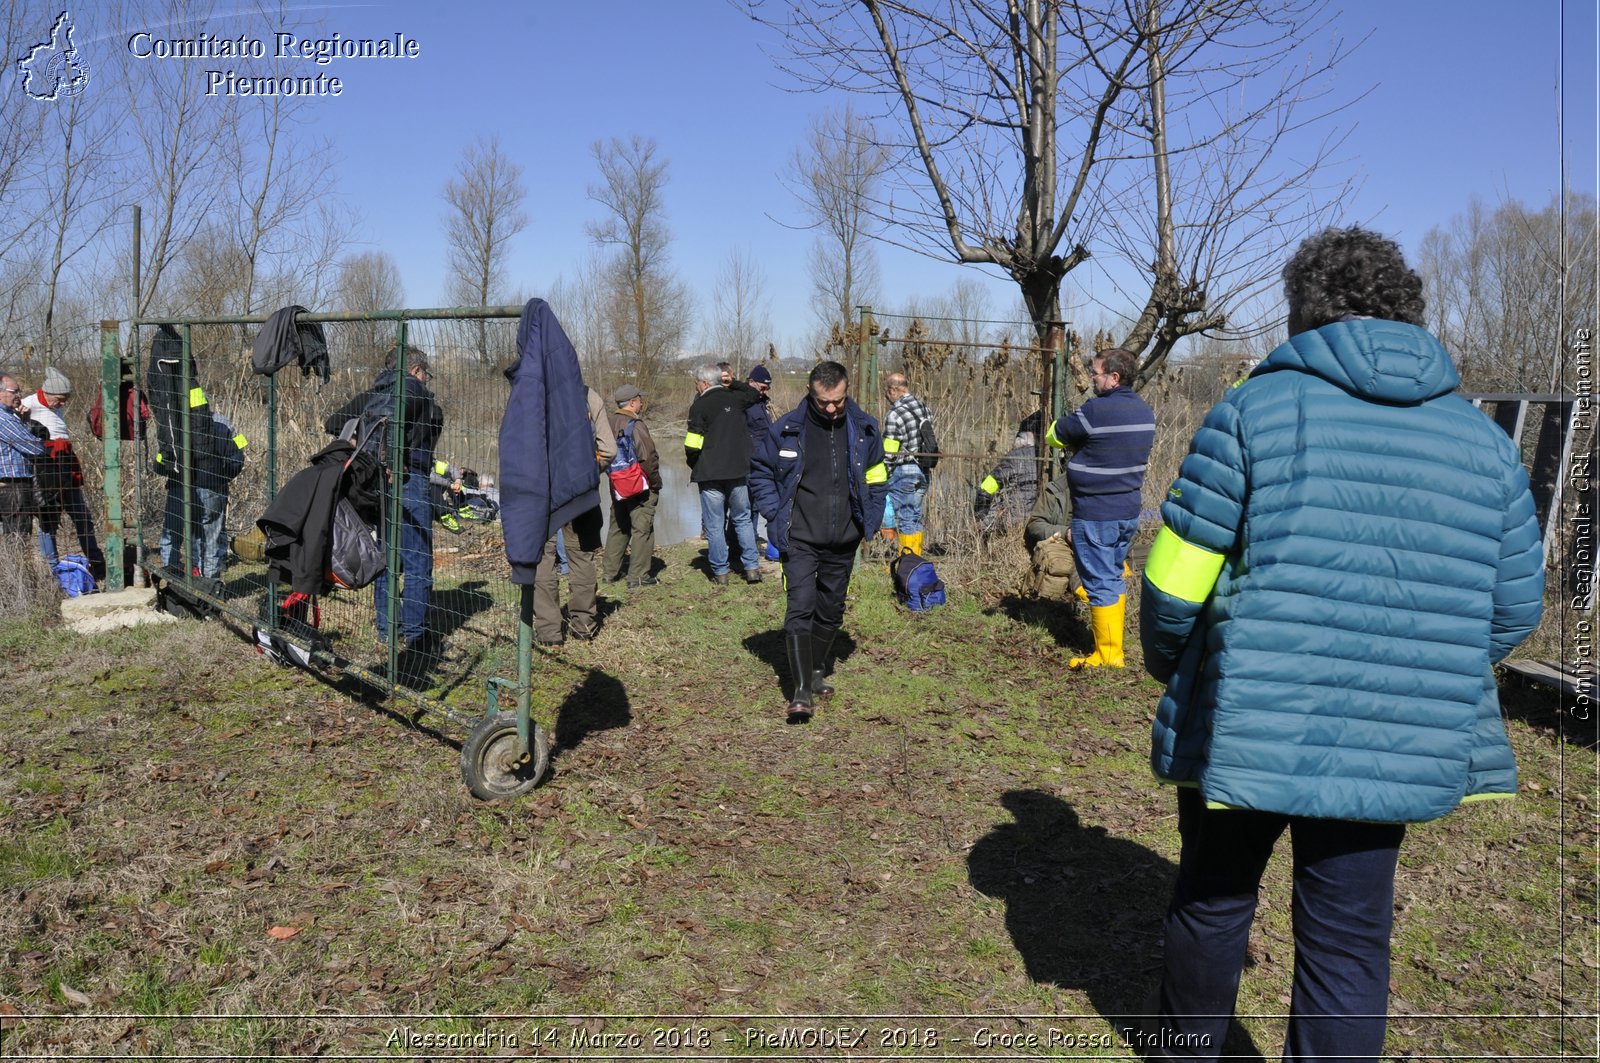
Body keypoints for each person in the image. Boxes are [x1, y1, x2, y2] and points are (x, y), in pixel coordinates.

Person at [1137, 227, 1545, 1062]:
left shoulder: (1253, 408)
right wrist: (1423, 666)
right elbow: (1513, 607)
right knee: (1350, 941)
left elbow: (1174, 582)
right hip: (1394, 731)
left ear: (1303, 314)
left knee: (1214, 901)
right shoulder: (1485, 445)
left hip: (1247, 716)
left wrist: (1172, 659)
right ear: (1408, 311)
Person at [750, 360, 888, 723]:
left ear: (846, 392)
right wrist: (772, 512)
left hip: (844, 537)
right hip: (799, 537)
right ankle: (799, 691)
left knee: (831, 609)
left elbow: (877, 479)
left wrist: (869, 521)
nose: (831, 409)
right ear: (811, 393)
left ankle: (814, 671)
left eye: (838, 402)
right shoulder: (787, 429)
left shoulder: (865, 430)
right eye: (823, 401)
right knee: (801, 606)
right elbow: (760, 470)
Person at [325, 347, 443, 651]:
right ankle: (416, 635)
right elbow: (432, 428)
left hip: (376, 482)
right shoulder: (418, 393)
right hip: (409, 479)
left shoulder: (372, 395)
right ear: (415, 370)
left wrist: (358, 439)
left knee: (387, 556)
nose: (426, 380)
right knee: (417, 559)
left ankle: (386, 629)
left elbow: (332, 422)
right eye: (425, 374)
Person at [1043, 347, 1155, 668]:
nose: (1091, 378)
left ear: (1114, 378)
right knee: (1113, 574)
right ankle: (1113, 647)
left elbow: (1054, 435)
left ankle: (1107, 656)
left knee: (1099, 580)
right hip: (1128, 511)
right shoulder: (1145, 411)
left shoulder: (1095, 411)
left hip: (1096, 513)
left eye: (1096, 373)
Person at [532, 386, 613, 644]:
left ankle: (548, 632)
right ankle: (584, 626)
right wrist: (588, 472)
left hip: (542, 489)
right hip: (581, 489)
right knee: (581, 555)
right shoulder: (589, 395)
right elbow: (609, 450)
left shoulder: (532, 393)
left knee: (542, 557)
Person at [24, 367, 107, 582]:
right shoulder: (28, 404)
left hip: (67, 468)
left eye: (65, 400)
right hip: (45, 474)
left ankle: (98, 564)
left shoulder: (56, 406)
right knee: (48, 523)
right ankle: (53, 571)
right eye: (60, 400)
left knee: (83, 518)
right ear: (48, 393)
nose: (63, 405)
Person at [685, 362, 765, 584]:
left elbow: (692, 444)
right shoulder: (736, 399)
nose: (696, 387)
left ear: (704, 383)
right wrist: (734, 382)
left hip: (710, 474)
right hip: (738, 471)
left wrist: (696, 464)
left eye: (697, 383)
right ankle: (751, 568)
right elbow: (755, 394)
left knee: (714, 523)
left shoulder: (699, 405)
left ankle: (721, 572)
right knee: (743, 519)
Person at [603, 384, 662, 589]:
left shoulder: (607, 422)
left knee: (618, 526)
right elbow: (647, 457)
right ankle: (638, 577)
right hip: (639, 486)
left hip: (617, 484)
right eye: (639, 399)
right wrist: (655, 483)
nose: (642, 402)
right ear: (632, 402)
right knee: (642, 529)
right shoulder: (635, 424)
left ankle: (610, 573)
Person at [881, 372, 934, 555]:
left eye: (887, 392)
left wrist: (882, 476)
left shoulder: (894, 415)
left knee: (905, 519)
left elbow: (890, 452)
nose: (887, 397)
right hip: (924, 471)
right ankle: (915, 559)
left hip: (904, 472)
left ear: (893, 390)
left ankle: (908, 564)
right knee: (915, 517)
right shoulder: (924, 408)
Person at [0, 373, 45, 539]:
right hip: (13, 485)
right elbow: (34, 448)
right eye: (15, 391)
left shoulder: (10, 416)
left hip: (8, 484)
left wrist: (22, 420)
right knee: (18, 537)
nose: (19, 396)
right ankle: (15, 565)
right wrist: (41, 442)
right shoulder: (4, 418)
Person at [972, 427, 1040, 534]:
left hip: (1012, 520)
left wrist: (980, 516)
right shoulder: (1045, 457)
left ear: (1020, 444)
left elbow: (986, 488)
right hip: (1038, 521)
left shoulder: (1014, 457)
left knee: (981, 527)